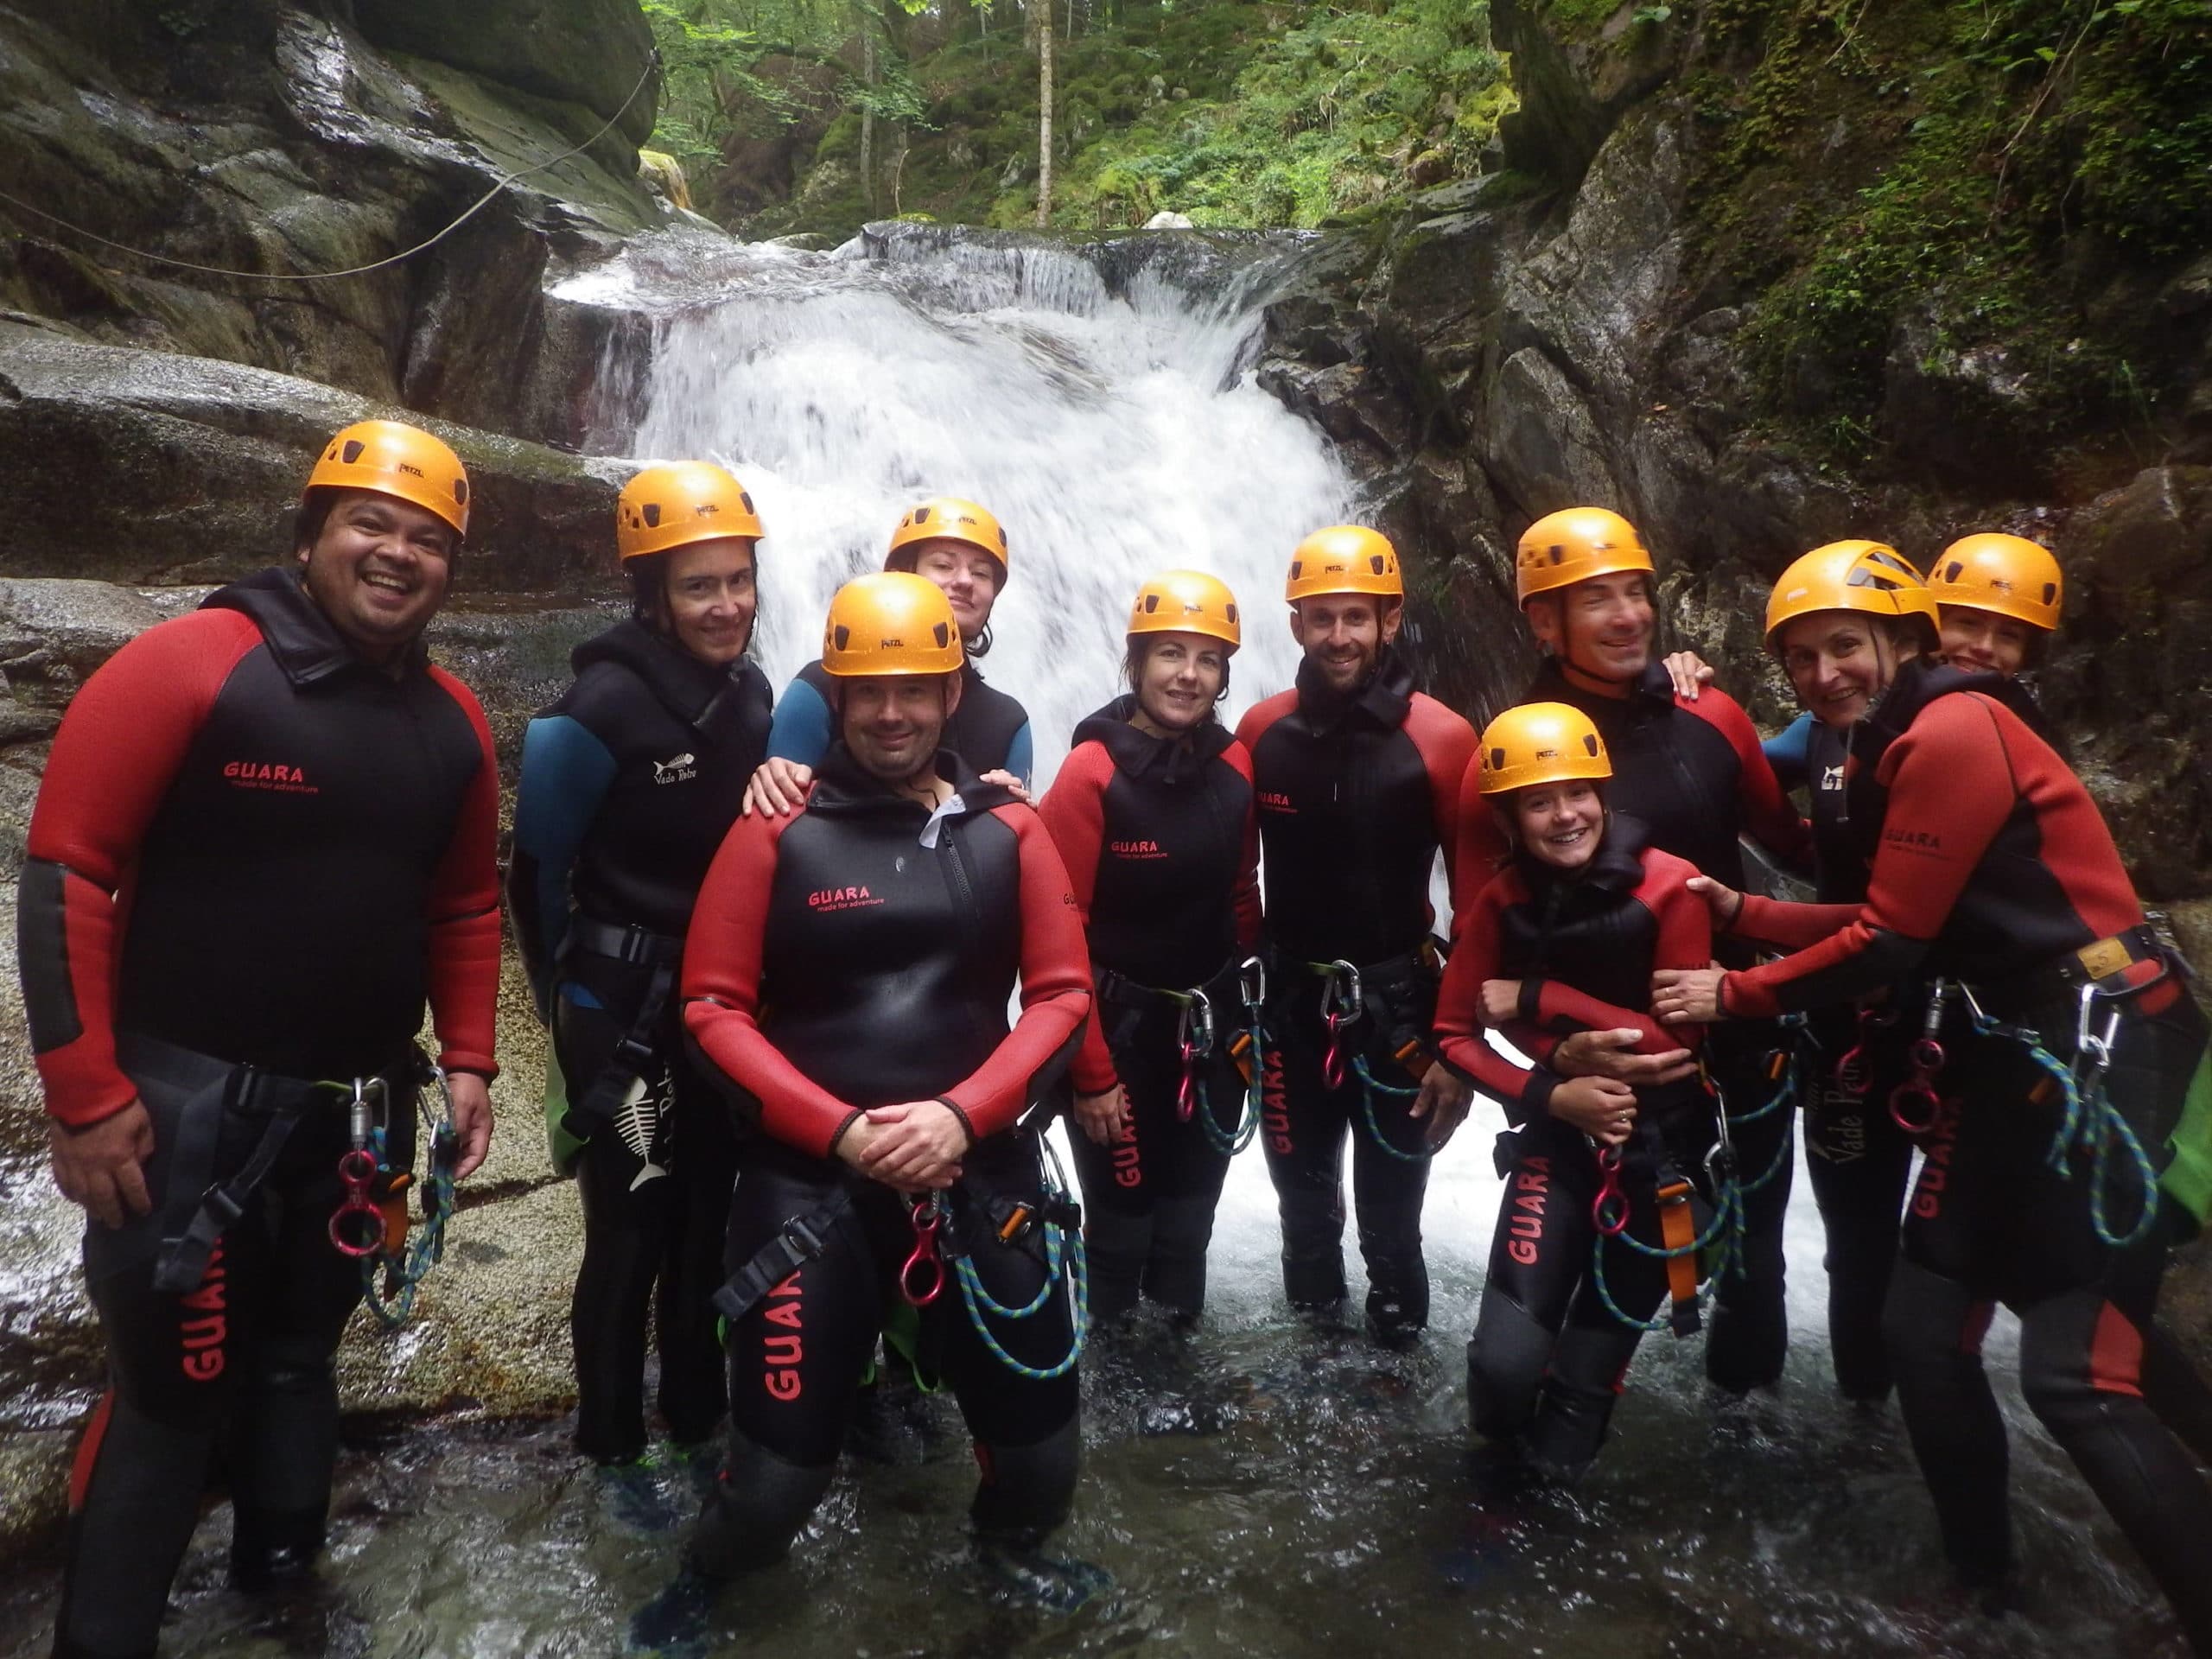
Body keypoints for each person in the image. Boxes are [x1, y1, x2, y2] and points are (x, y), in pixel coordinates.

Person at [1651, 547, 2212, 1643]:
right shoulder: (1886, 742)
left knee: (2077, 1375)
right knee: (1922, 1324)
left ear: (1905, 641)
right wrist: (1745, 913)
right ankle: (1981, 1587)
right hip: (2012, 1049)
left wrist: (1736, 991)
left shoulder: (1953, 731)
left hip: (2099, 1045)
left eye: (1844, 648)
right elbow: (1901, 915)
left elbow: (1889, 942)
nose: (1822, 674)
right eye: (1800, 658)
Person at [21, 419, 500, 1659]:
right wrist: (85, 1096)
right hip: (184, 1114)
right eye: (371, 524)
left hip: (354, 1114)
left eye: (429, 541)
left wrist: (467, 1059)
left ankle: (282, 1600)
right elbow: (69, 870)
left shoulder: (451, 719)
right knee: (172, 1396)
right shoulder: (193, 665)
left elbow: (463, 904)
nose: (398, 554)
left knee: (296, 1361)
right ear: (310, 534)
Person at [677, 571, 1097, 1603]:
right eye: (869, 692)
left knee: (1042, 1465)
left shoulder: (1008, 828)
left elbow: (1061, 995)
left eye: (915, 689)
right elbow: (711, 1009)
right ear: (837, 696)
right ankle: (706, 1592)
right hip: (811, 1186)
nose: (893, 713)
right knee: (773, 1490)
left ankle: (1002, 1580)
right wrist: (843, 1133)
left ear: (953, 694)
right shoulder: (774, 826)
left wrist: (961, 1117)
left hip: (977, 1171)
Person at [1459, 506, 1810, 1395]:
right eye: (1597, 600)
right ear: (1544, 622)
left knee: (1754, 1260)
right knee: (1585, 1262)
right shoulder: (1515, 759)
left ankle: (1748, 1444)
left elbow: (1795, 846)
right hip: (1601, 1058)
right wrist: (1551, 1055)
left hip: (1737, 1029)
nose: (1628, 617)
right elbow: (1484, 940)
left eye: (1635, 593)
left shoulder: (1711, 713)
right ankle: (1550, 1419)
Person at [508, 461, 772, 1469]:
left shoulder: (750, 693)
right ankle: (613, 1448)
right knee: (629, 1234)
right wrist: (561, 1008)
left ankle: (699, 1423)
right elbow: (537, 877)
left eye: (738, 580)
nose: (726, 605)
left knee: (708, 1221)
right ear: (651, 592)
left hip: (720, 1003)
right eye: (699, 585)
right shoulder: (595, 711)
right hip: (621, 999)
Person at [1435, 702, 1723, 1478]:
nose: (1565, 815)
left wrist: (1539, 998)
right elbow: (1452, 1034)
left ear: (1603, 795)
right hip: (1558, 1145)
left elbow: (1674, 1046)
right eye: (1539, 802)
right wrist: (1550, 1094)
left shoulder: (1672, 889)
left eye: (1578, 793)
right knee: (1500, 1372)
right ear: (1508, 820)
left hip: (1664, 1162)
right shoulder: (1502, 903)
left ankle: (1544, 1516)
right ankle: (1489, 1500)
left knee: (1578, 1395)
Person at [1235, 525, 1477, 1348]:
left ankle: (1397, 1378)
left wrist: (1458, 1047)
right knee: (1303, 1215)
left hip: (1398, 1011)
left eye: (1356, 618)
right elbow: (1229, 871)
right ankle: (1314, 1373)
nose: (1338, 636)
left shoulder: (1441, 738)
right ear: (1296, 624)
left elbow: (1477, 905)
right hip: (1289, 1007)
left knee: (1391, 1223)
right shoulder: (1262, 731)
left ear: (1390, 620)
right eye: (1321, 617)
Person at [1038, 570, 1262, 1325]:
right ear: (1135, 662)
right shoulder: (1090, 773)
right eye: (1171, 654)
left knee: (1188, 1231)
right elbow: (1058, 936)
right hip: (1120, 1040)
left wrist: (1250, 1022)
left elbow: (1242, 897)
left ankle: (1179, 1374)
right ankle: (1113, 1379)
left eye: (1208, 660)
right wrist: (1092, 1073)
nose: (1188, 675)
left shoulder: (1233, 766)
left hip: (1208, 1035)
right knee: (1120, 1232)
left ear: (1224, 676)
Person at [746, 495, 1032, 816]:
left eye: (980, 573)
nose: (965, 581)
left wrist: (1012, 810)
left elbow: (1018, 830)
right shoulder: (818, 690)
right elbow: (776, 808)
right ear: (902, 572)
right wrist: (772, 777)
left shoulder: (1007, 724)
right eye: (943, 565)